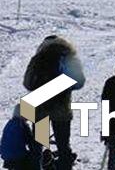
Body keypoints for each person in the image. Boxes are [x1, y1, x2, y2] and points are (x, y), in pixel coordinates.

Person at [23, 35, 85, 170]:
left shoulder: (38, 58)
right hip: (61, 110)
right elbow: (80, 82)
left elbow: (27, 82)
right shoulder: (69, 58)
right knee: (63, 146)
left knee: (38, 147)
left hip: (40, 110)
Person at [1, 105, 41, 170]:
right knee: (36, 156)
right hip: (18, 157)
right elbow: (31, 143)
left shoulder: (9, 123)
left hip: (6, 157)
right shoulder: (22, 125)